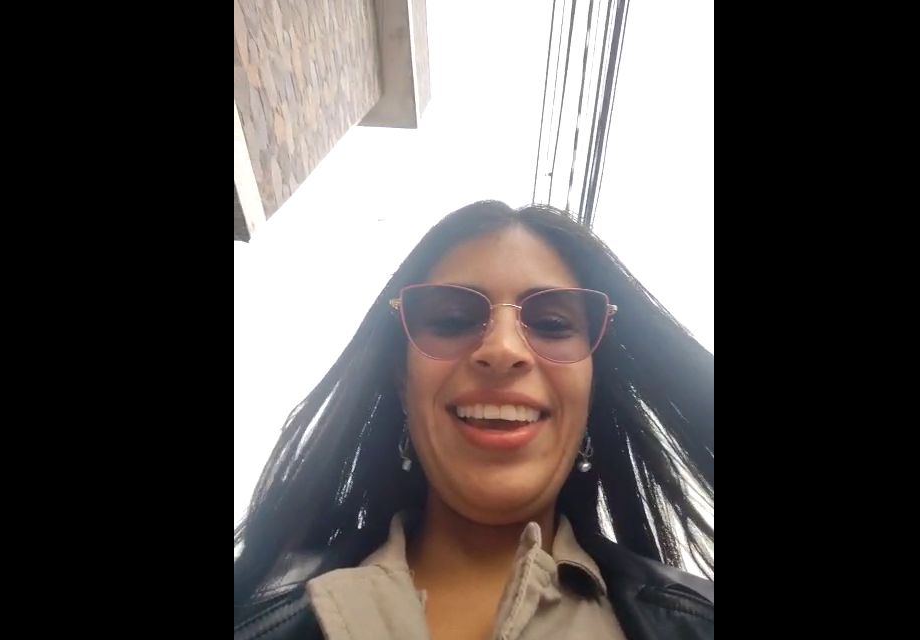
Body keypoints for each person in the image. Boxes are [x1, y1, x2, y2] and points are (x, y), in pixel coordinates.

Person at [234, 201, 714, 640]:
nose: (502, 349)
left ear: (590, 390)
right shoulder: (254, 609)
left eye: (551, 324)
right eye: (452, 320)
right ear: (403, 382)